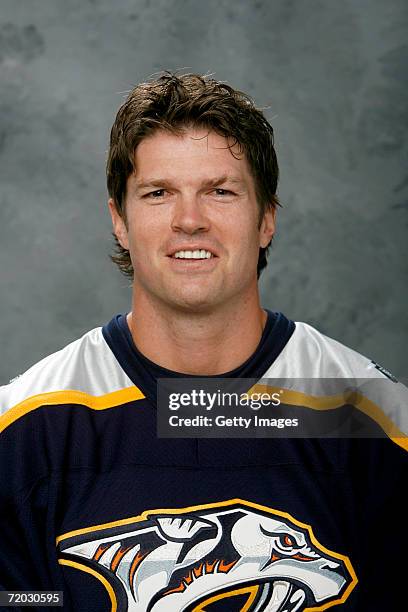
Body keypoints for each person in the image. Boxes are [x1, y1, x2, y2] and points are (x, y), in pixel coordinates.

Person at [0, 72, 406, 612]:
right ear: (119, 220)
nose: (190, 221)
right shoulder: (28, 433)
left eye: (220, 191)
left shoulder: (368, 417)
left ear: (265, 219)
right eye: (159, 193)